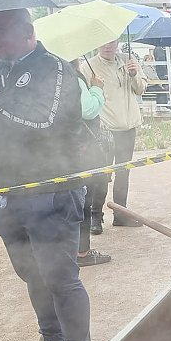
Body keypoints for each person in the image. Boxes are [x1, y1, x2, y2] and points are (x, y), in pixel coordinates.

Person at [0, 9, 92, 341]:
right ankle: (51, 339)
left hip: (52, 190)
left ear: (28, 31)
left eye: (0, 31)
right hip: (11, 193)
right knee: (32, 274)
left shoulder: (53, 69)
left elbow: (43, 122)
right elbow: (4, 122)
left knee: (60, 276)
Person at [79, 39, 148, 231]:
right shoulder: (88, 66)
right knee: (101, 174)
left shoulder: (129, 60)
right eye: (103, 42)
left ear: (118, 42)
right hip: (104, 130)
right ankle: (95, 216)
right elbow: (84, 97)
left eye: (112, 42)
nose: (108, 46)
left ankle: (121, 214)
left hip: (128, 126)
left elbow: (141, 89)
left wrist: (134, 75)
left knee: (123, 173)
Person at [72, 61, 112, 266]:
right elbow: (88, 110)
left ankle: (66, 250)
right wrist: (96, 88)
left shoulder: (43, 75)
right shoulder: (73, 77)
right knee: (83, 198)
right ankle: (82, 252)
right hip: (81, 149)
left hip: (56, 151)